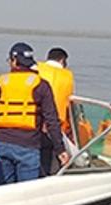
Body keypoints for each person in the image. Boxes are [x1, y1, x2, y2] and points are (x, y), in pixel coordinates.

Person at [0, 42, 69, 185]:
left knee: (3, 191)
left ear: (14, 61)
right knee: (26, 192)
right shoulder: (41, 85)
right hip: (28, 145)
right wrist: (60, 149)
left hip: (3, 143)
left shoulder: (0, 83)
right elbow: (52, 120)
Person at [37, 47, 75, 176]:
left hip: (32, 125)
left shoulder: (36, 69)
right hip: (55, 127)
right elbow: (68, 105)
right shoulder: (67, 77)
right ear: (62, 61)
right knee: (53, 167)